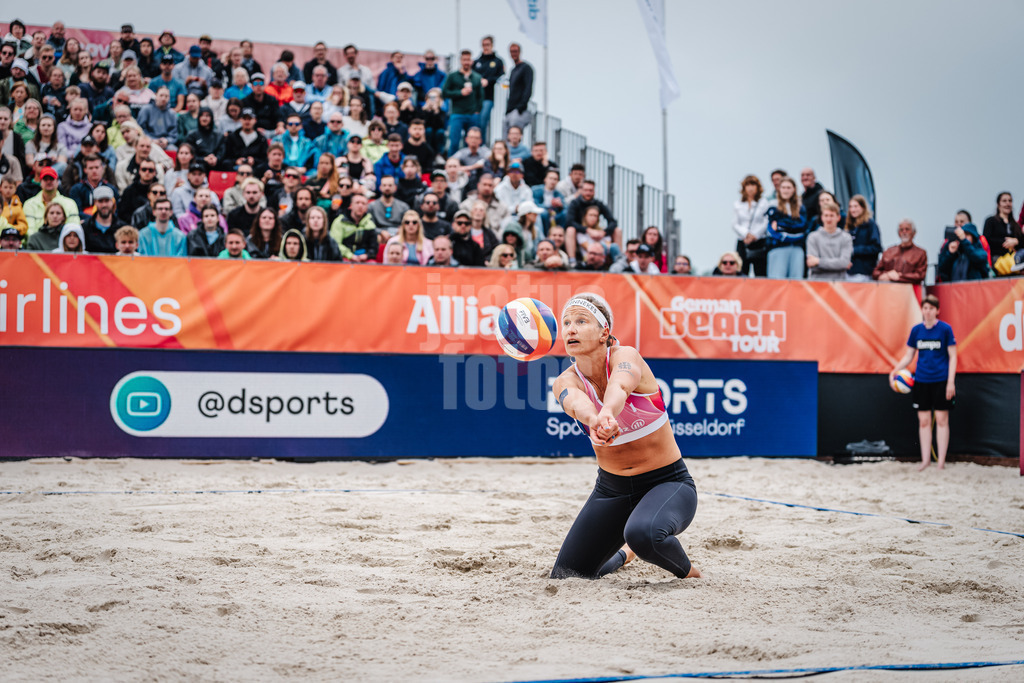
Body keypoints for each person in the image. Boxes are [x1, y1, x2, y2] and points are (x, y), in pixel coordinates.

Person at [549, 294, 700, 580]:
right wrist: (594, 419)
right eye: (566, 322)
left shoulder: (626, 356)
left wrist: (606, 412)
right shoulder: (565, 381)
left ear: (604, 331)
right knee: (568, 576)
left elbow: (620, 384)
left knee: (644, 534)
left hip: (668, 481)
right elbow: (575, 403)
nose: (570, 329)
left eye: (581, 321)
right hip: (612, 490)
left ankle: (691, 574)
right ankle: (623, 554)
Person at [889, 294, 957, 471]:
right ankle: (925, 460)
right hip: (921, 380)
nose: (927, 312)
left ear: (937, 310)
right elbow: (909, 355)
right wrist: (894, 371)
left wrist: (951, 382)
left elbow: (953, 356)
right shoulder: (916, 330)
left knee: (942, 420)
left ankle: (940, 462)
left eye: (931, 308)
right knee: (924, 421)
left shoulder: (945, 329)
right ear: (922, 310)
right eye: (925, 308)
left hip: (941, 380)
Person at [442, 50, 483, 157]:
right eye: (464, 60)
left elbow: (480, 96)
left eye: (468, 60)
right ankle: (451, 165)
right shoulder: (452, 76)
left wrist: (478, 110)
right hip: (457, 113)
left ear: (472, 61)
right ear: (461, 60)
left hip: (472, 114)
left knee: (471, 144)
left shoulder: (477, 77)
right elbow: (445, 92)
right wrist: (460, 92)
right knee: (454, 143)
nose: (466, 62)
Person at [765, 176, 807, 279]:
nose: (786, 190)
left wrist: (782, 225)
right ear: (779, 189)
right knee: (777, 281)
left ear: (794, 189)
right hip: (778, 247)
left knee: (796, 281)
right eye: (783, 187)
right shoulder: (772, 206)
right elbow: (771, 230)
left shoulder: (800, 207)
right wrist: (789, 226)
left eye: (789, 187)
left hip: (797, 248)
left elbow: (801, 226)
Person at [806, 200, 853, 281]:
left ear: (838, 218)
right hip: (817, 284)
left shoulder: (846, 238)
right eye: (826, 215)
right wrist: (838, 265)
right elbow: (812, 265)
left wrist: (818, 261)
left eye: (831, 215)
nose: (828, 219)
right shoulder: (813, 237)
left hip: (839, 284)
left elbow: (844, 262)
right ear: (822, 217)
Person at [733, 175, 769, 277]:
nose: (750, 188)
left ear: (758, 187)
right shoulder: (738, 204)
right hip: (743, 241)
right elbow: (735, 224)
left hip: (759, 241)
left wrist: (754, 235)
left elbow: (766, 222)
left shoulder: (764, 203)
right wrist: (746, 234)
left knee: (760, 272)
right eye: (748, 185)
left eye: (753, 184)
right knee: (741, 270)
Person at [873, 219, 928, 284]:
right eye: (901, 230)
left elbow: (920, 275)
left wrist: (899, 276)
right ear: (898, 233)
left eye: (907, 229)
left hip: (909, 291)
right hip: (888, 290)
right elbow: (875, 272)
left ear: (914, 233)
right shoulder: (889, 251)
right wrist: (888, 274)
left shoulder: (920, 253)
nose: (904, 232)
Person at [982, 192, 1022, 272]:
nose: (1007, 203)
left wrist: (1016, 242)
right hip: (997, 259)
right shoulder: (991, 221)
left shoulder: (1016, 225)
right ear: (998, 204)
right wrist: (1006, 242)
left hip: (1015, 258)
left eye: (1010, 201)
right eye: (1004, 201)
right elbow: (987, 240)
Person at [844, 194, 881, 281]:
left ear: (863, 207)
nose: (853, 209)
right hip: (848, 271)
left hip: (864, 271)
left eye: (856, 206)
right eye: (851, 207)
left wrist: (855, 250)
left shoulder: (871, 225)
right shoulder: (849, 226)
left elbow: (876, 247)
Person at [80, 185, 124, 253]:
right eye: (100, 201)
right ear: (95, 203)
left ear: (112, 202)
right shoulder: (85, 227)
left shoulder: (122, 228)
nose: (104, 205)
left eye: (107, 201)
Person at [503, 43, 533, 140]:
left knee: (514, 139)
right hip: (509, 111)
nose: (514, 54)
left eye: (515, 51)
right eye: (512, 52)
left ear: (520, 52)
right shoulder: (513, 70)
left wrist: (521, 106)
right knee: (505, 141)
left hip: (518, 111)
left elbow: (528, 88)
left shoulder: (526, 68)